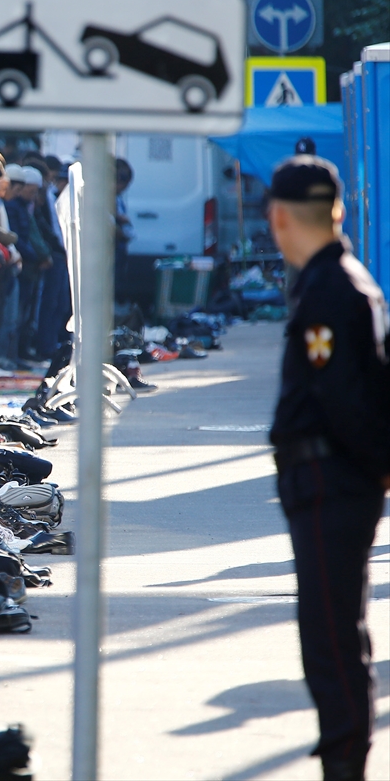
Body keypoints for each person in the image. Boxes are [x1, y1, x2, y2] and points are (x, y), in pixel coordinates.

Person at [267, 155, 390, 781]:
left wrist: (374, 471)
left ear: (279, 217)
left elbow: (346, 398)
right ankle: (345, 756)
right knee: (336, 631)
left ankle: (345, 763)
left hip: (331, 482)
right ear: (337, 209)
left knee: (332, 638)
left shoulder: (328, 287)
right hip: (332, 482)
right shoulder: (340, 279)